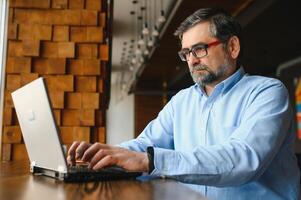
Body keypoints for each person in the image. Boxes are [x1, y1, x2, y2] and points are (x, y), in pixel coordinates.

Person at [67, 7, 300, 199]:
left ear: (232, 47)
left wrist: (150, 160)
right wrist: (102, 156)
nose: (191, 60)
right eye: (186, 53)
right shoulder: (182, 101)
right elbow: (145, 145)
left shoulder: (267, 92)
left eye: (199, 49)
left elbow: (244, 159)